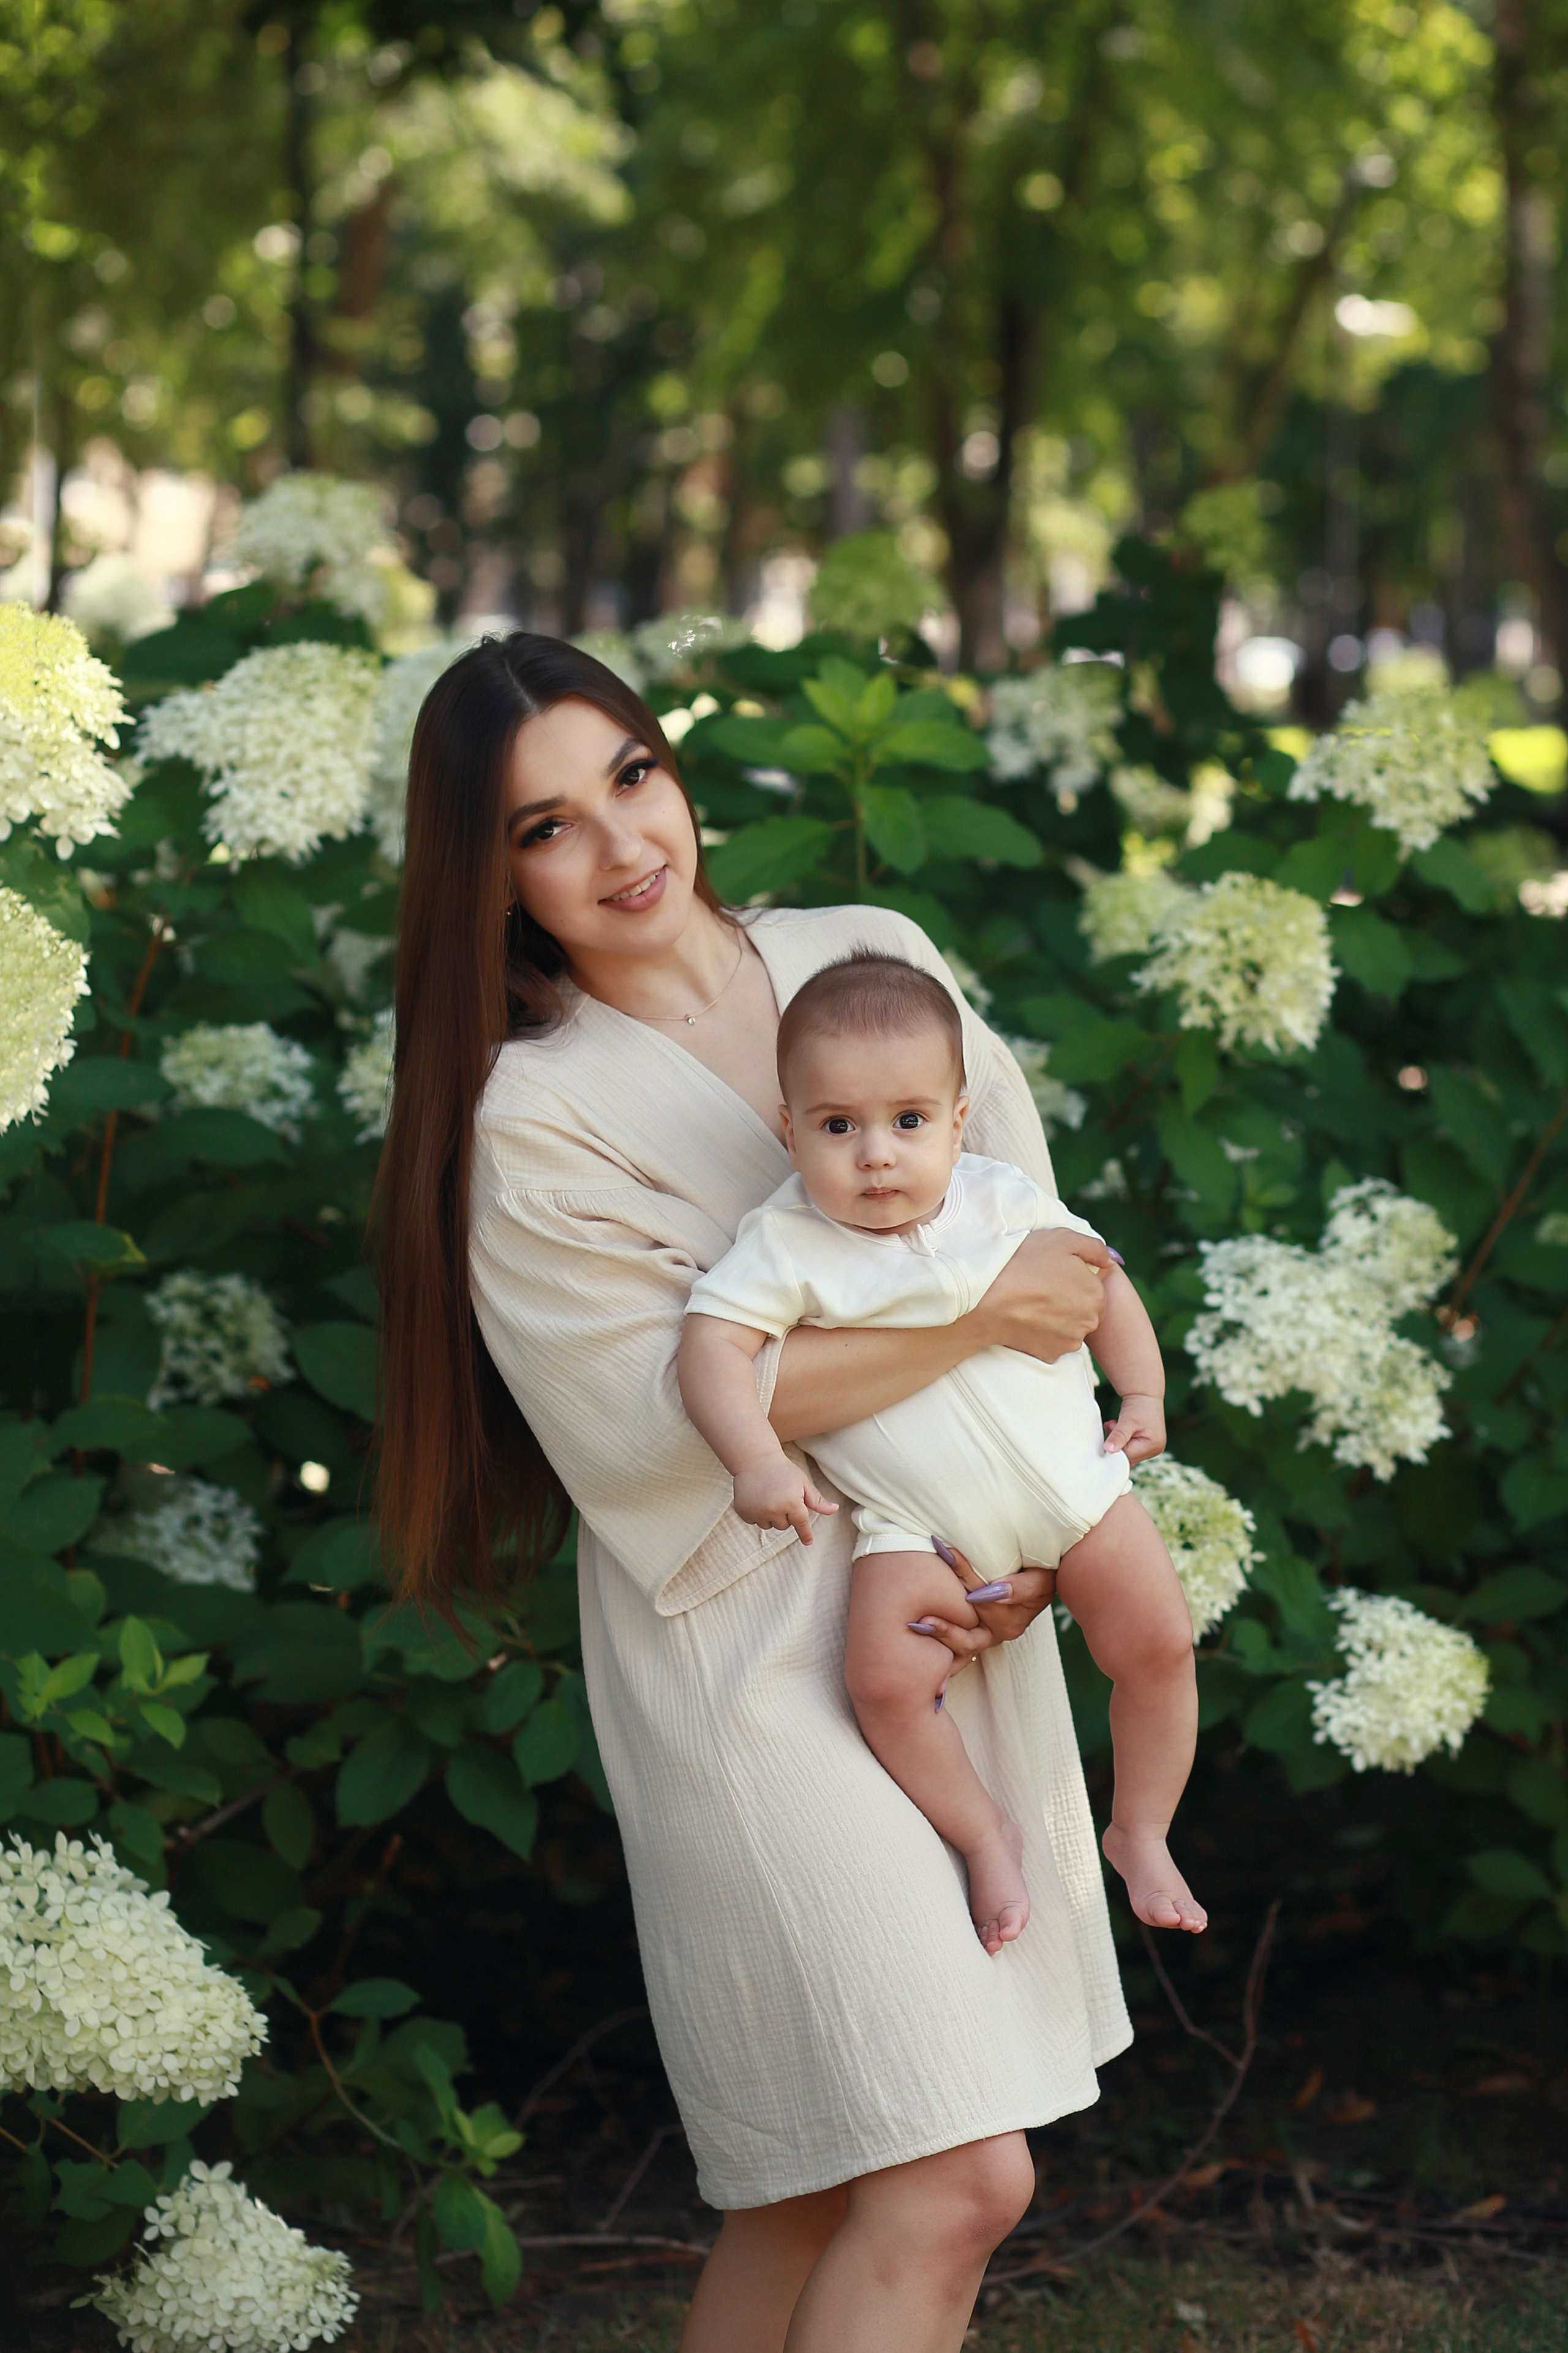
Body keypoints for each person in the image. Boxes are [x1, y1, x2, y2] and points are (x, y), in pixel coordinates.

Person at [374, 633, 1134, 2353]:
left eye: (632, 775)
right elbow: (657, 1427)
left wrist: (1042, 1539)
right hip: (745, 1647)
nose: (625, 845)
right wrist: (969, 1320)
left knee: (825, 2183)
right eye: (544, 828)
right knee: (957, 2178)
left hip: (947, 1576)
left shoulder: (867, 958)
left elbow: (1043, 1256)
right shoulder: (534, 1121)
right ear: (486, 883)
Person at [678, 950, 1205, 1958]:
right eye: (838, 1127)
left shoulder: (1001, 1198)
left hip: (1076, 1493)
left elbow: (1101, 1278)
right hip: (913, 1526)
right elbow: (712, 1346)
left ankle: (1140, 1827)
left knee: (1159, 1643)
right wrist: (754, 1457)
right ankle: (984, 1831)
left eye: (909, 1121)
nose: (877, 1155)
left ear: (959, 1122)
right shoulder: (785, 1244)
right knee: (881, 1681)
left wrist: (1143, 1388)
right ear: (791, 1131)